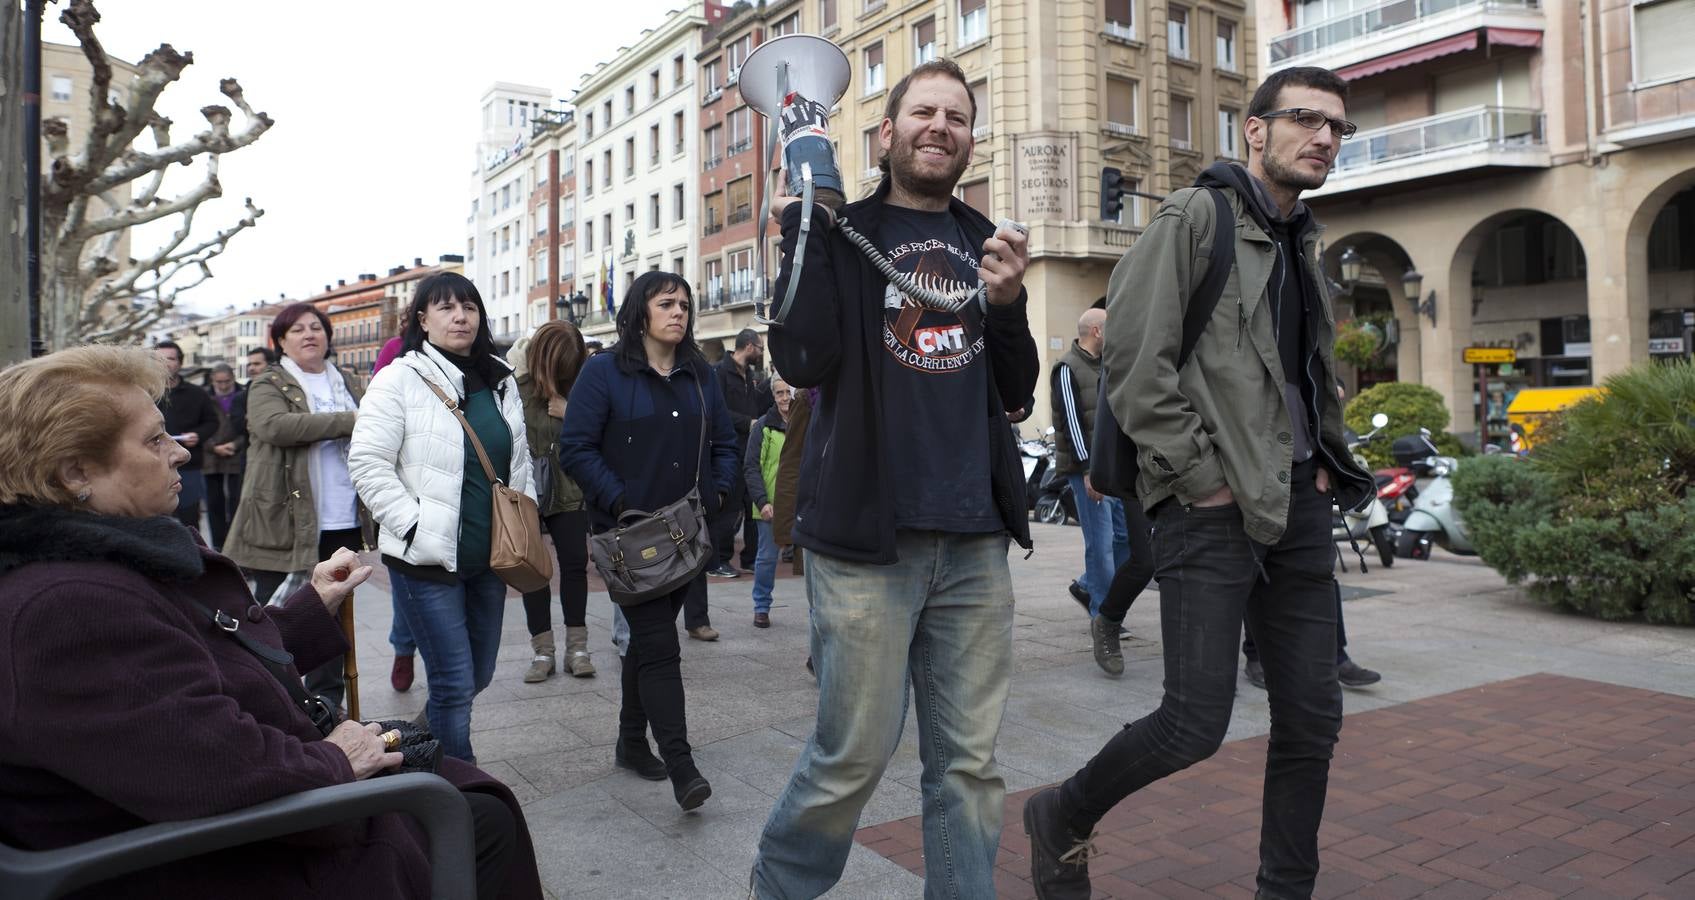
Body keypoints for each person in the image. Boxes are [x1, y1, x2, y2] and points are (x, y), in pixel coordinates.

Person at [0, 345, 542, 900]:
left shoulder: (103, 561)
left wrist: (313, 607)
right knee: (475, 813)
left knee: (469, 796)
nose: (181, 453)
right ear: (75, 473)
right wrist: (336, 757)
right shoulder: (64, 608)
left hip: (241, 824)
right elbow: (212, 769)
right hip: (222, 859)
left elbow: (199, 663)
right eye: (154, 440)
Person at [1022, 67, 1377, 900]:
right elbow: (1135, 372)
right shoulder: (1194, 220)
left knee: (1311, 721)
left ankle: (1284, 890)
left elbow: (1297, 375)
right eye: (1304, 120)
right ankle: (1061, 815)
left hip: (1297, 502)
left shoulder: (1302, 238)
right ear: (1253, 131)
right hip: (1209, 508)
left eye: (1336, 127)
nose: (1323, 138)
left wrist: (1323, 461)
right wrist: (1201, 479)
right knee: (1191, 724)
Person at [750, 58, 1037, 899]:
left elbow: (1013, 391)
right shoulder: (841, 225)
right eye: (922, 112)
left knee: (969, 767)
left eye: (955, 116)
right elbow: (802, 357)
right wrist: (798, 236)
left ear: (969, 140)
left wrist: (1010, 306)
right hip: (869, 543)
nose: (938, 126)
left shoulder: (982, 240)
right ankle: (780, 889)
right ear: (886, 133)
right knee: (853, 758)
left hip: (974, 541)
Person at [559, 270, 738, 812]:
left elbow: (726, 444)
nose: (679, 312)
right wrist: (619, 502)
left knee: (644, 644)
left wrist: (719, 491)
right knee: (660, 644)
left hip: (689, 535)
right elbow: (577, 448)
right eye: (667, 303)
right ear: (641, 312)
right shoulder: (603, 373)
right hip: (629, 539)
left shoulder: (701, 375)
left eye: (685, 303)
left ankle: (631, 741)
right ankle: (682, 764)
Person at [348, 273, 534, 764]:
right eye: (446, 307)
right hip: (425, 561)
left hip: (489, 557)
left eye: (469, 307)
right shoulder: (399, 379)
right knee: (453, 681)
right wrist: (411, 525)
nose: (460, 316)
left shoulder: (499, 379)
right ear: (422, 320)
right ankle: (459, 788)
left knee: (479, 675)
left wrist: (526, 517)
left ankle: (415, 744)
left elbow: (520, 460)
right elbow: (366, 462)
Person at [224, 303, 366, 715]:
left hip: (342, 516)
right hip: (284, 519)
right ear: (281, 341)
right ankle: (260, 700)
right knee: (271, 615)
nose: (309, 334)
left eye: (317, 327)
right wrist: (352, 419)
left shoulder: (350, 381)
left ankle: (326, 707)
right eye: (298, 329)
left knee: (334, 615)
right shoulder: (269, 382)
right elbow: (276, 427)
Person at [513, 320, 595, 681]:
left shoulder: (581, 386)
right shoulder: (515, 385)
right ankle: (542, 652)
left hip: (570, 487)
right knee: (534, 571)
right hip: (528, 490)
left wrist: (572, 410)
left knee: (575, 564)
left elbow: (599, 432)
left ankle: (577, 648)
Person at [1049, 308, 1130, 623]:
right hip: (1087, 471)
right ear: (1097, 331)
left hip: (1112, 469)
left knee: (1127, 540)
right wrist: (1087, 471)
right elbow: (1072, 423)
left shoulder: (1107, 365)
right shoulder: (1067, 368)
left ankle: (1087, 586)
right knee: (1100, 546)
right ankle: (1102, 615)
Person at [370, 332, 419, 692]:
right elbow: (376, 412)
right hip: (407, 486)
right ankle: (403, 648)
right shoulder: (395, 350)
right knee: (408, 580)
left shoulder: (472, 358)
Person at [709, 328, 773, 578]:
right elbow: (719, 411)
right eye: (759, 347)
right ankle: (719, 560)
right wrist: (749, 423)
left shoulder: (749, 375)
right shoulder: (720, 373)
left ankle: (750, 558)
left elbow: (756, 404)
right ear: (748, 346)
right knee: (730, 507)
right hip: (729, 451)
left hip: (749, 451)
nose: (760, 352)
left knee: (751, 504)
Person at [153, 340, 219, 536]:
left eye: (171, 359)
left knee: (189, 520)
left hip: (188, 465)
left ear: (180, 363)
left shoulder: (197, 393)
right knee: (155, 521)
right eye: (160, 359)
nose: (165, 363)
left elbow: (212, 421)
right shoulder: (144, 392)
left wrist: (199, 435)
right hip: (152, 465)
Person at [744, 373, 792, 628]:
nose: (784, 398)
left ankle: (817, 611)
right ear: (773, 396)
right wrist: (762, 502)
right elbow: (751, 467)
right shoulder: (763, 425)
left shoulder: (805, 422)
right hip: (770, 505)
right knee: (766, 558)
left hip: (801, 504)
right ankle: (761, 607)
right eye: (779, 393)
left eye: (788, 392)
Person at [203, 362, 248, 551]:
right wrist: (213, 447)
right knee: (214, 503)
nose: (222, 386)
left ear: (233, 378)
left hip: (237, 453)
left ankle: (236, 545)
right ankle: (218, 546)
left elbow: (249, 426)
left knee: (237, 502)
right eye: (219, 382)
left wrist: (235, 444)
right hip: (211, 456)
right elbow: (198, 425)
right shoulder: (204, 396)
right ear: (213, 380)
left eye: (227, 381)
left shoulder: (243, 394)